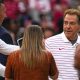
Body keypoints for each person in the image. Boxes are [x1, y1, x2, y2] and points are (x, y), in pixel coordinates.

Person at [45, 8, 80, 80]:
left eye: (72, 23)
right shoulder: (49, 43)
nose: (68, 26)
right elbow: (45, 70)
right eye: (65, 23)